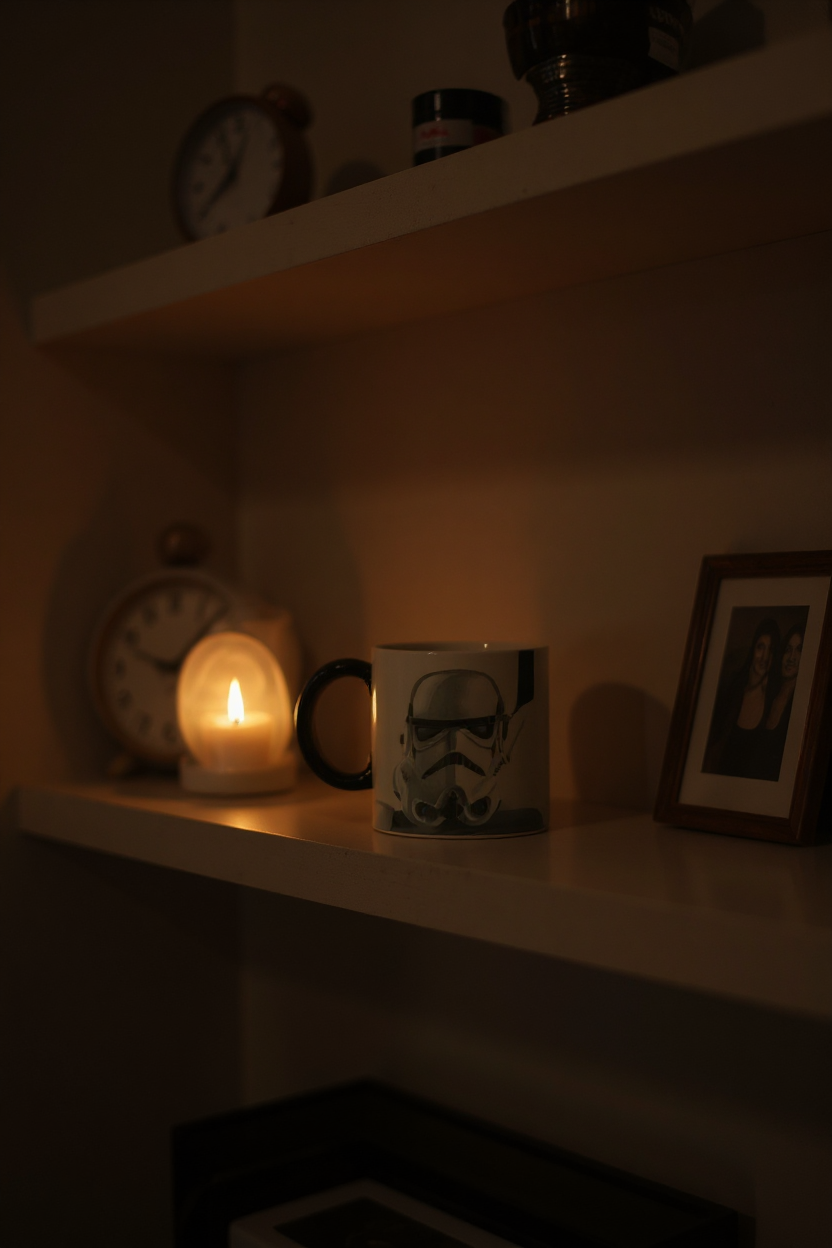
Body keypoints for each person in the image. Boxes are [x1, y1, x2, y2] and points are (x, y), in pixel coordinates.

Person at [703, 617, 780, 779]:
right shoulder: (732, 689)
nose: (765, 657)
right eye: (761, 647)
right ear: (753, 650)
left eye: (771, 650)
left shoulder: (773, 698)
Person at [757, 624, 804, 782]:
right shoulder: (769, 696)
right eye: (788, 650)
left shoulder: (800, 706)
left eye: (799, 650)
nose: (791, 657)